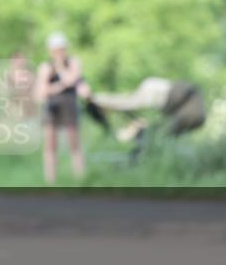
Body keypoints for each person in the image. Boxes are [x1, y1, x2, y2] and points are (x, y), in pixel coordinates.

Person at [36, 32, 87, 184]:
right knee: (50, 145)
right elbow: (41, 92)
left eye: (61, 49)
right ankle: (50, 181)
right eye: (56, 50)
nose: (59, 53)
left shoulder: (73, 62)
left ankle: (80, 179)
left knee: (74, 143)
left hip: (69, 105)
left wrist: (59, 69)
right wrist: (60, 85)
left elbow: (71, 79)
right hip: (51, 107)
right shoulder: (45, 66)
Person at [92, 76, 205, 142]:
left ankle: (100, 100)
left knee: (129, 102)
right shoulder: (193, 114)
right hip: (162, 92)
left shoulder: (193, 110)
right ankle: (98, 100)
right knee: (129, 103)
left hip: (160, 89)